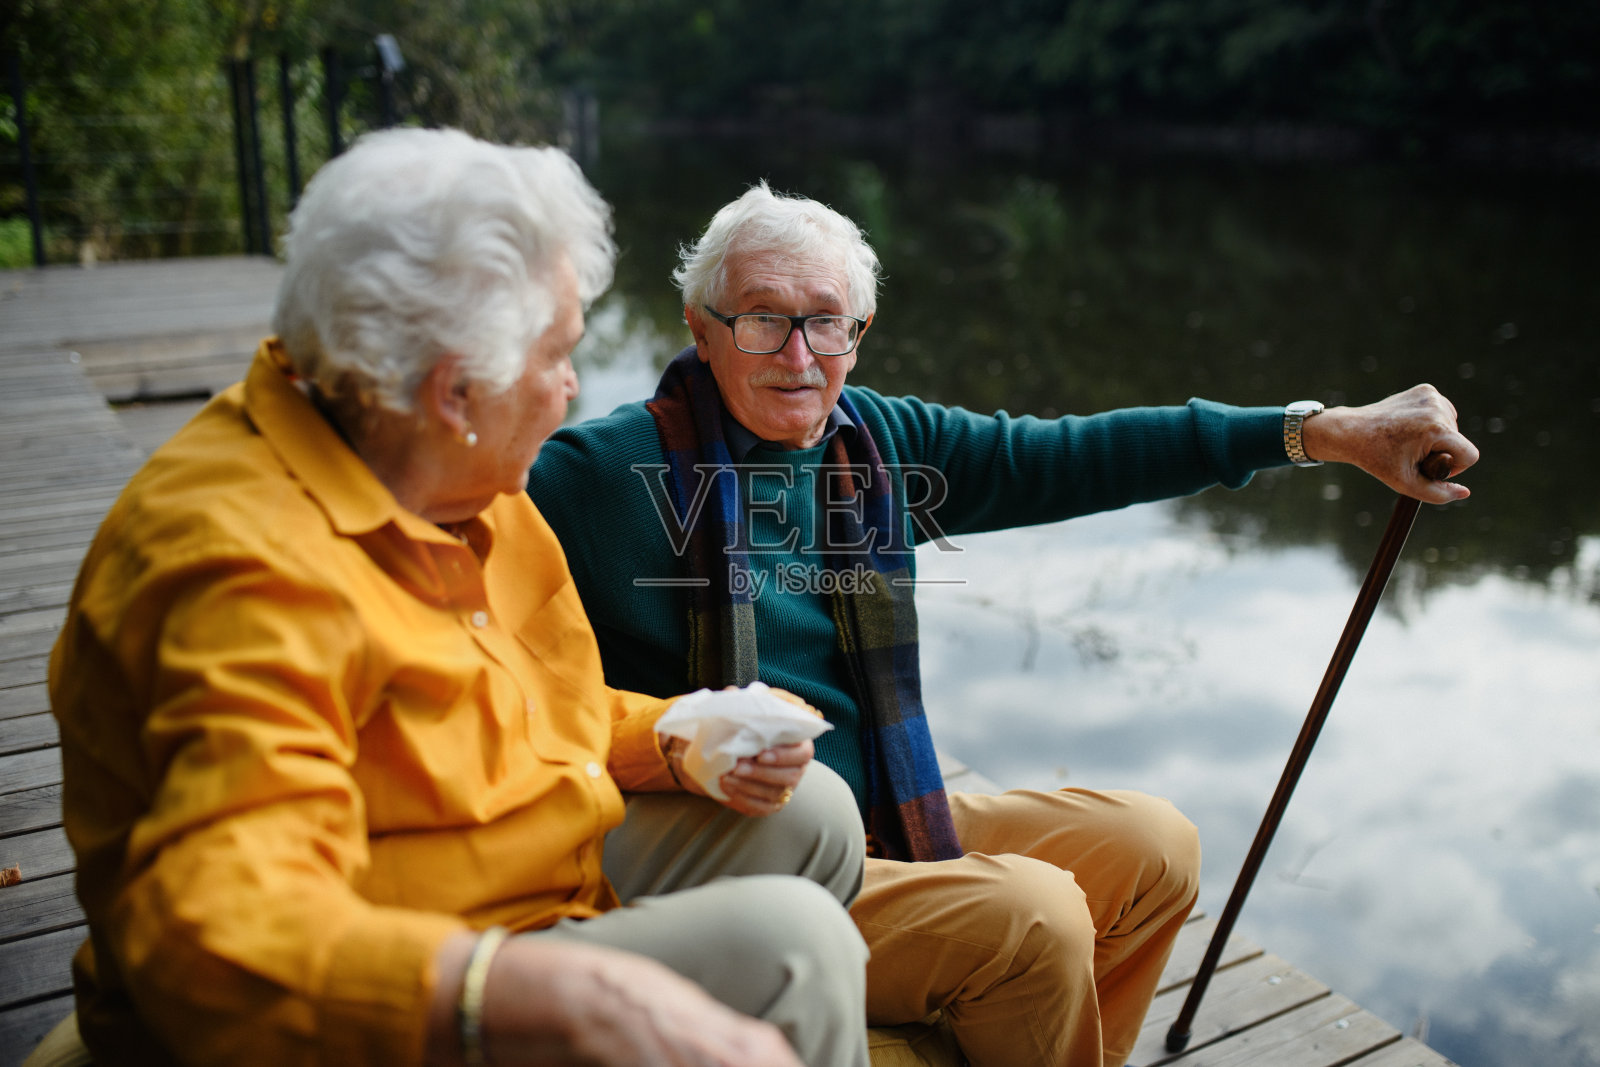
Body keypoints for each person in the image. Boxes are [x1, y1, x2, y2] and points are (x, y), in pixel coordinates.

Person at [525, 181, 1481, 1067]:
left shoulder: (879, 441)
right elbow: (469, 625)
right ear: (701, 326)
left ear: (860, 329)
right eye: (766, 320)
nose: (800, 356)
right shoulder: (595, 475)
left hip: (887, 821)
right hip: (744, 866)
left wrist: (1319, 431)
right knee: (1037, 917)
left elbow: (1070, 456)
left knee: (1154, 850)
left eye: (827, 323)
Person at [45, 135, 870, 1067]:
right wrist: (538, 993)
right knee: (799, 950)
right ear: (454, 390)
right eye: (559, 356)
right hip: (378, 976)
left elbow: (535, 710)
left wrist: (679, 735)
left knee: (817, 810)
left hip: (513, 863)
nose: (571, 392)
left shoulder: (462, 479)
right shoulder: (235, 570)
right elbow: (219, 933)